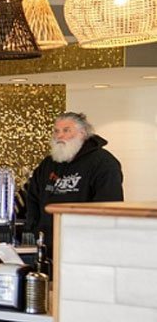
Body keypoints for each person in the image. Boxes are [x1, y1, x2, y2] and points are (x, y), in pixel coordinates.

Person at [23, 111, 124, 260]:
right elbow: (32, 197)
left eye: (66, 130)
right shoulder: (48, 163)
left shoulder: (104, 163)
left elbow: (109, 205)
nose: (59, 136)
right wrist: (33, 229)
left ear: (82, 133)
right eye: (56, 131)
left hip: (86, 246)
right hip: (47, 246)